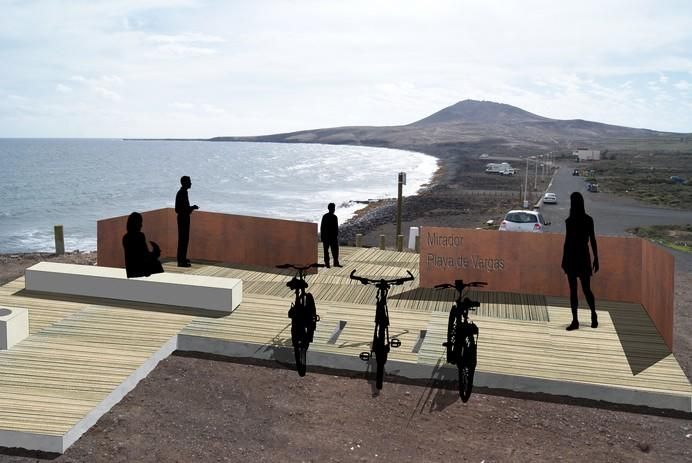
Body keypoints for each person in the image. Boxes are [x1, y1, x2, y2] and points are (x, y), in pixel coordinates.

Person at [561, 192, 599, 330]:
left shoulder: (569, 221)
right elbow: (592, 240)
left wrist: (564, 260)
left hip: (572, 257)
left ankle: (576, 320)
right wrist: (596, 258)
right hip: (583, 256)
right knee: (586, 289)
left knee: (574, 291)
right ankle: (593, 315)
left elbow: (568, 243)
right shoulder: (588, 220)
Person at [122, 212, 164, 278]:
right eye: (140, 223)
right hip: (140, 270)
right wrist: (156, 252)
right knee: (157, 264)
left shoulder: (126, 237)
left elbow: (140, 255)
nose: (141, 225)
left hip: (132, 271)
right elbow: (144, 256)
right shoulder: (140, 236)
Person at [175, 175, 199, 267]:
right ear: (185, 183)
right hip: (183, 219)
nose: (191, 183)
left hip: (183, 218)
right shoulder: (182, 193)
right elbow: (179, 209)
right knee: (183, 239)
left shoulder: (183, 192)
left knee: (184, 239)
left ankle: (182, 258)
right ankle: (181, 261)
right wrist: (192, 208)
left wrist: (191, 208)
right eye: (189, 181)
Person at [320, 202, 341, 268]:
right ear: (331, 209)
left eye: (334, 208)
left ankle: (330, 263)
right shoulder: (333, 217)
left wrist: (322, 237)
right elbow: (323, 227)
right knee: (332, 251)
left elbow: (322, 227)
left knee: (330, 251)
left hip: (329, 237)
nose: (333, 209)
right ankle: (331, 263)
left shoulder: (326, 216)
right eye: (333, 208)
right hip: (330, 237)